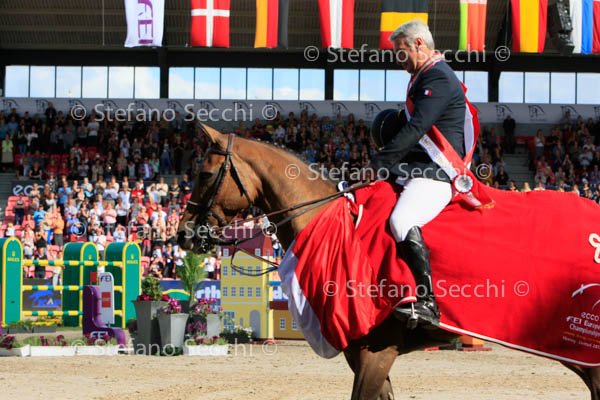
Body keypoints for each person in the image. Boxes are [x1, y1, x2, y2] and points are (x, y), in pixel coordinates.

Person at [367, 21, 477, 328]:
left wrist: (380, 162)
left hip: (437, 172)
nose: (397, 59)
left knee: (401, 221)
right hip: (418, 167)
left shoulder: (438, 76)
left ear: (418, 44)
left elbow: (417, 128)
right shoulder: (423, 76)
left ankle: (428, 303)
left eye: (400, 51)